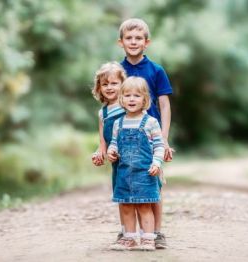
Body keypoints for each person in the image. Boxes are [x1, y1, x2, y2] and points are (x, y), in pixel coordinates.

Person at [118, 18, 173, 249]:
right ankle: (127, 233)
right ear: (121, 42)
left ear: (146, 42)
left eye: (138, 38)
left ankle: (156, 232)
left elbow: (165, 106)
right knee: (123, 184)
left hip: (150, 138)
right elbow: (110, 104)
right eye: (128, 38)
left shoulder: (156, 70)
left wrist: (164, 138)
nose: (133, 42)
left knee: (152, 184)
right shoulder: (117, 71)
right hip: (123, 136)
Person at [107, 77, 165, 251]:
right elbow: (115, 143)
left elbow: (159, 145)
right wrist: (111, 151)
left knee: (144, 205)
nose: (132, 99)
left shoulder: (151, 122)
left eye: (137, 96)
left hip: (145, 172)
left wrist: (157, 162)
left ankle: (148, 238)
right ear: (121, 99)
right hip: (124, 173)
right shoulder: (119, 122)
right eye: (127, 95)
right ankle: (129, 238)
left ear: (145, 99)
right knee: (125, 205)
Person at [91, 61, 127, 240]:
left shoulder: (128, 105)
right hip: (117, 163)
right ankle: (125, 231)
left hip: (134, 159)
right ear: (99, 87)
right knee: (121, 196)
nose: (110, 87)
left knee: (140, 196)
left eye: (114, 83)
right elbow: (102, 140)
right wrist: (100, 153)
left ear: (123, 84)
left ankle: (145, 232)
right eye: (105, 84)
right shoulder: (102, 113)